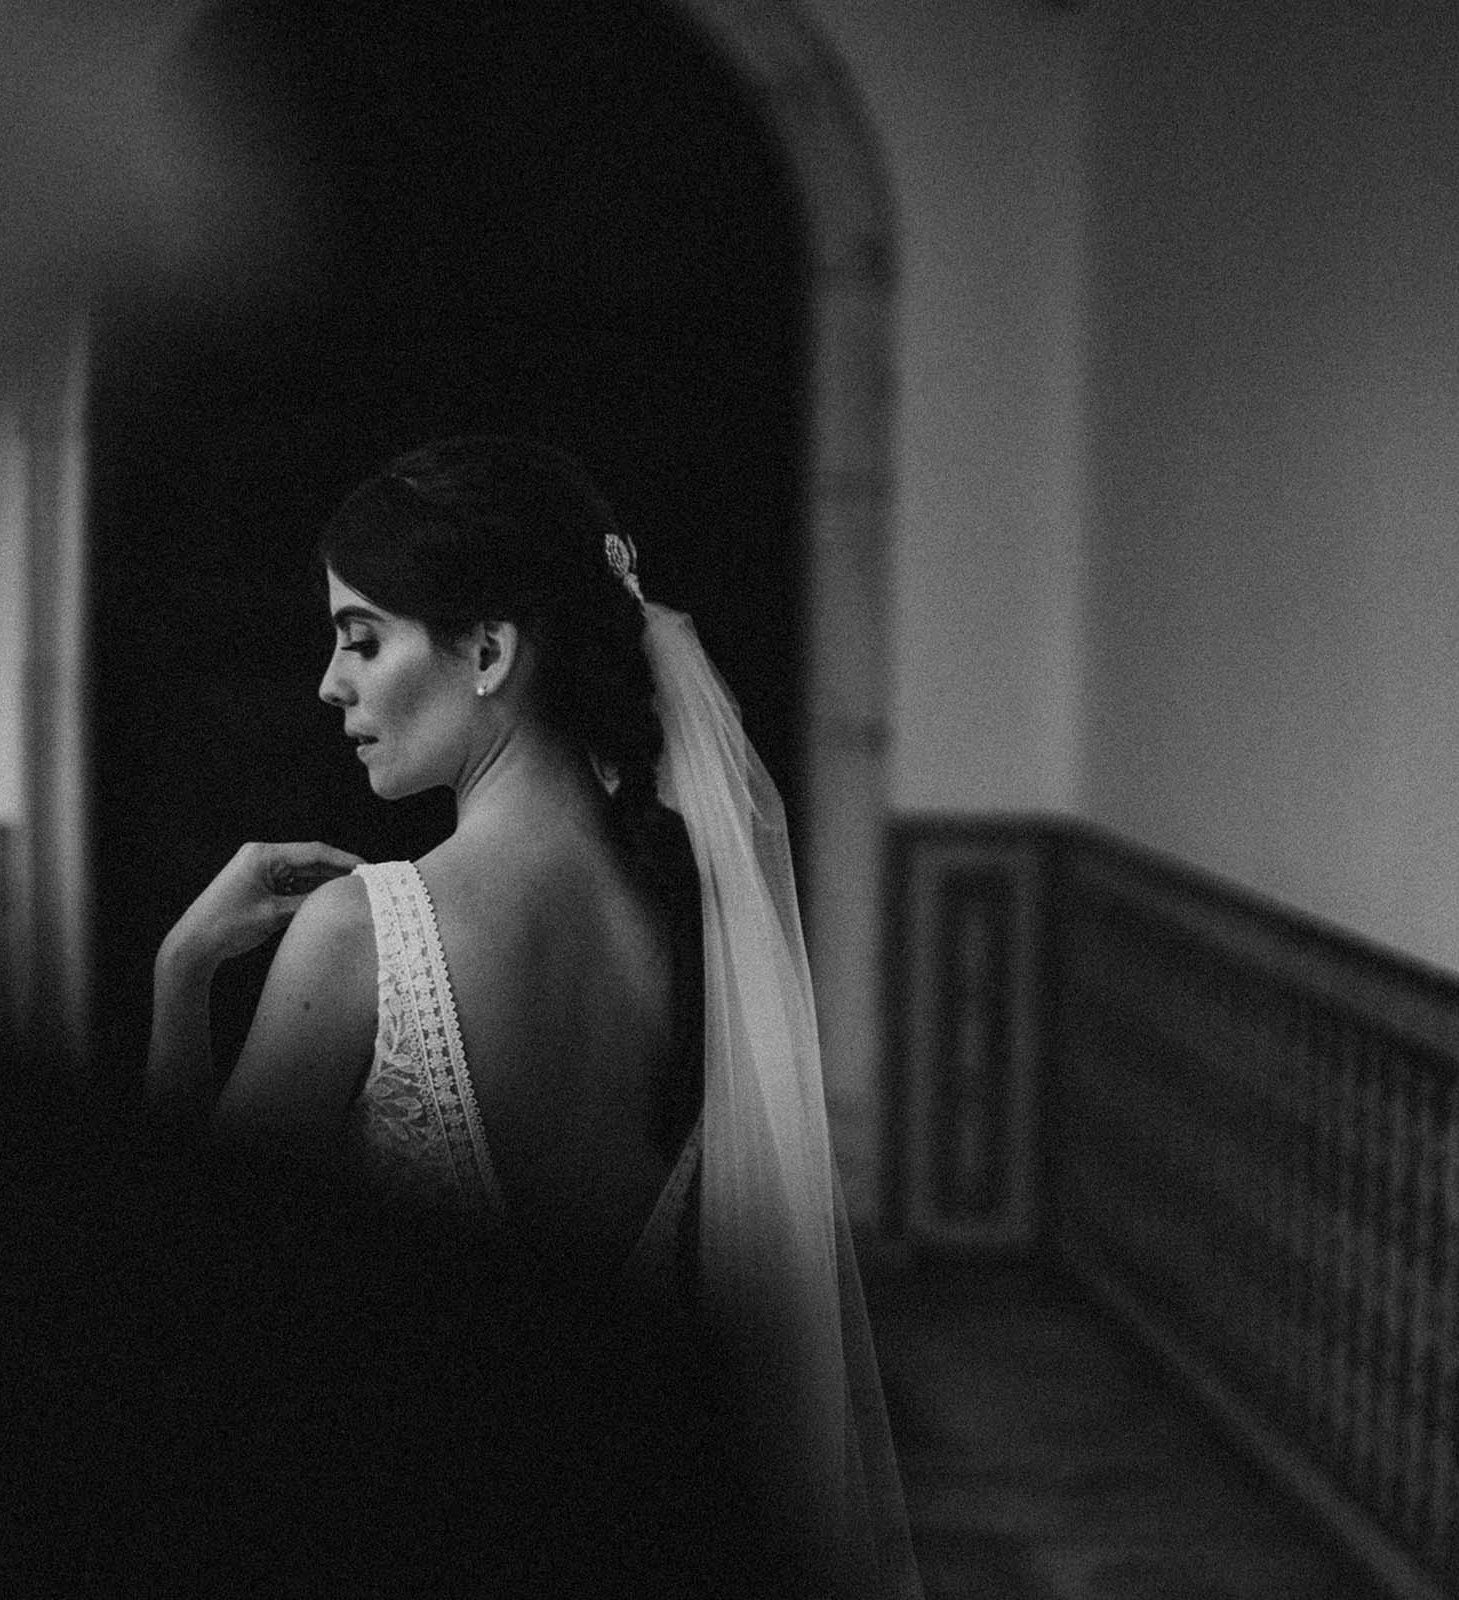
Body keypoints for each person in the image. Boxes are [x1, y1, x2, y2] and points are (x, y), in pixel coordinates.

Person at [148, 435, 923, 1597]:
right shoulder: (700, 927)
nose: (329, 683)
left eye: (361, 639)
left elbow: (188, 1317)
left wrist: (181, 973)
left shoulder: (365, 936)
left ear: (490, 652)